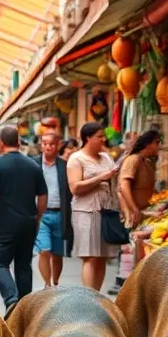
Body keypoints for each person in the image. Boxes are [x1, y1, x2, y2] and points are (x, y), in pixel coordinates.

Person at [0, 125, 47, 317]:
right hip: (28, 222)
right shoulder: (34, 165)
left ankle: (11, 298)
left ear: (1, 142)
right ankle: (25, 308)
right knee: (23, 264)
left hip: (6, 223)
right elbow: (43, 196)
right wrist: (37, 217)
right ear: (19, 142)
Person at [67, 121, 120, 292]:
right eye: (99, 136)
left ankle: (97, 295)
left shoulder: (106, 157)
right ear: (88, 138)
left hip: (106, 210)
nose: (103, 139)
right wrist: (100, 178)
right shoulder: (76, 159)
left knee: (102, 256)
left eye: (103, 136)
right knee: (90, 256)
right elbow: (74, 188)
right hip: (86, 211)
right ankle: (88, 295)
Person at [34, 129, 73, 288]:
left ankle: (56, 283)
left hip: (60, 214)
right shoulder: (33, 164)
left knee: (58, 254)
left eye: (51, 144)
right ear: (41, 145)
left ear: (58, 145)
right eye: (45, 144)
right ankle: (47, 285)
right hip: (41, 214)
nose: (48, 147)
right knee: (44, 250)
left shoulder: (65, 165)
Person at [118, 128, 161, 227]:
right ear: (147, 144)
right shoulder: (133, 159)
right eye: (156, 143)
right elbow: (124, 186)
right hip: (133, 216)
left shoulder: (146, 162)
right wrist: (134, 209)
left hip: (144, 213)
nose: (158, 146)